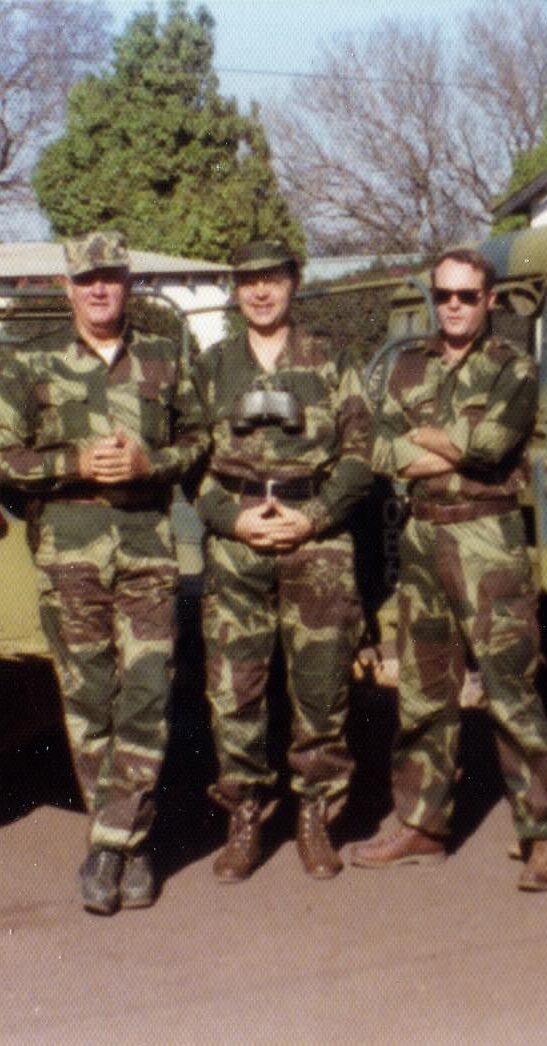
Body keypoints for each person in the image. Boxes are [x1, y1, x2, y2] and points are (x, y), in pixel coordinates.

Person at [0, 231, 205, 914]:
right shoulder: (28, 362)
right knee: (89, 701)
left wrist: (148, 466)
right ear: (67, 286)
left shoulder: (166, 359)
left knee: (146, 695)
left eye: (110, 277)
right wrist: (75, 464)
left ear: (127, 283)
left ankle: (110, 846)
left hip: (146, 544)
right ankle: (130, 847)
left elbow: (199, 443)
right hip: (70, 548)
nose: (99, 289)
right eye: (86, 279)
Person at [352, 248, 547, 892]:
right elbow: (378, 449)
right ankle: (422, 823)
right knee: (423, 689)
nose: (453, 306)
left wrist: (427, 439)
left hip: (487, 537)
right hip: (421, 536)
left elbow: (491, 447)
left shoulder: (513, 366)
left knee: (509, 687)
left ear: (490, 300)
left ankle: (544, 833)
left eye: (467, 296)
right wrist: (442, 446)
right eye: (444, 295)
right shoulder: (407, 365)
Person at [191, 240, 372, 881]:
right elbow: (189, 461)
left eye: (272, 280)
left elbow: (359, 454)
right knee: (233, 692)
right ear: (235, 291)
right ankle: (243, 819)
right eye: (248, 282)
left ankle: (316, 817)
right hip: (238, 545)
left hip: (316, 542)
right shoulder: (211, 367)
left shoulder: (332, 360)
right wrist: (230, 518)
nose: (261, 293)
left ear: (294, 283)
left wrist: (315, 517)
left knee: (321, 688)